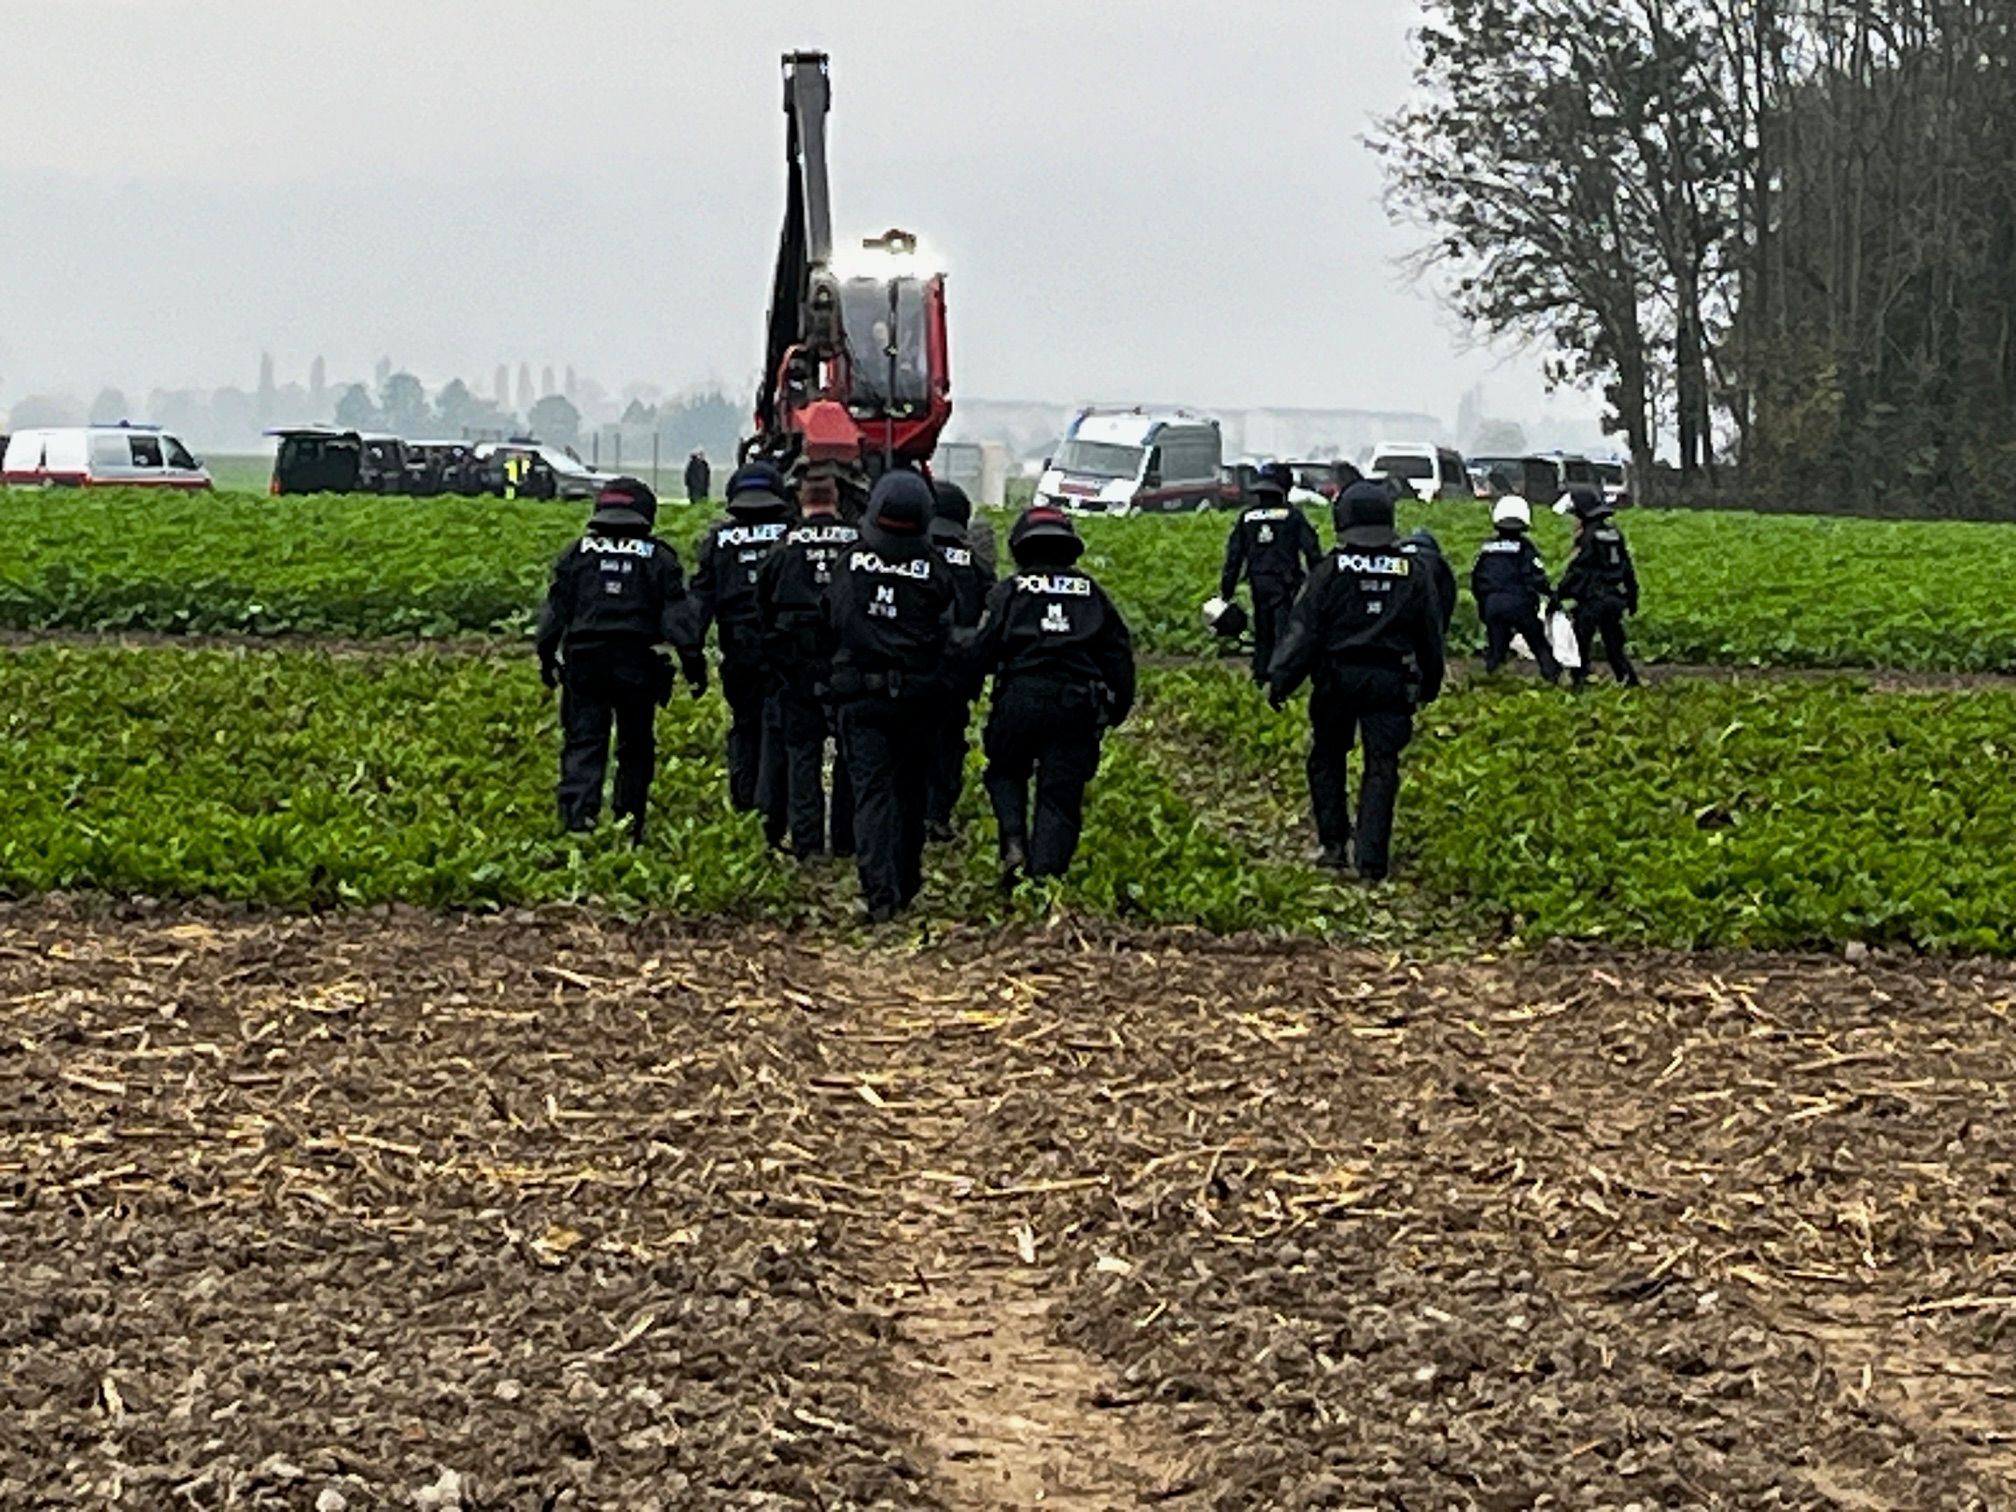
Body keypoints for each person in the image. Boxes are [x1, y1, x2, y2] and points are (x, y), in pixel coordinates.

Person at [1268, 482, 1446, 881]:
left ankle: (1333, 845)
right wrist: (1430, 682)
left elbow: (1304, 633)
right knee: (1382, 766)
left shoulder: (1329, 570)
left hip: (1336, 679)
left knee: (1327, 757)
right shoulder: (1412, 572)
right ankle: (1371, 862)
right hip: (1390, 681)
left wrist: (1282, 679)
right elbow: (1430, 636)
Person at [534, 478, 705, 841]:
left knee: (583, 742)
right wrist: (694, 665)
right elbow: (679, 621)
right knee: (636, 745)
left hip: (584, 659)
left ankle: (578, 823)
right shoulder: (658, 557)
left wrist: (546, 658)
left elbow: (554, 614)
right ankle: (630, 823)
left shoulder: (576, 554)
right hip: (636, 662)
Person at [972, 506, 1135, 886]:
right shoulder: (1092, 593)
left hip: (1019, 697)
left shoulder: (1009, 592)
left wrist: (961, 686)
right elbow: (1118, 655)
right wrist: (1117, 707)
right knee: (1060, 795)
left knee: (1005, 772)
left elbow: (981, 647)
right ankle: (1045, 880)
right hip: (1075, 704)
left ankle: (1013, 839)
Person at [824, 471, 957, 922]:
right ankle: (905, 883)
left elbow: (833, 622)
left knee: (872, 795)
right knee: (911, 792)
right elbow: (949, 637)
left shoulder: (851, 563)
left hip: (861, 697)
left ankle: (878, 894)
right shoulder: (936, 570)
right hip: (918, 700)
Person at [755, 464, 859, 861]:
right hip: (846, 661)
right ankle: (847, 839)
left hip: (796, 662)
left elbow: (761, 608)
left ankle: (808, 842)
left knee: (802, 754)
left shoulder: (783, 548)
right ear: (835, 499)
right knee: (850, 751)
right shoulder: (859, 547)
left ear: (801, 500)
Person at [688, 462, 793, 830]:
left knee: (745, 726)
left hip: (739, 650)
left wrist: (692, 654)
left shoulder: (718, 542)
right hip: (786, 650)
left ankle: (746, 805)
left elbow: (698, 605)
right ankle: (773, 813)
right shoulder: (792, 537)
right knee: (780, 730)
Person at [925, 479, 997, 842]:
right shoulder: (975, 564)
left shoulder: (911, 555)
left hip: (915, 669)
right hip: (957, 675)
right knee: (948, 742)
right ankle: (937, 815)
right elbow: (993, 612)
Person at [1219, 465, 1322, 684]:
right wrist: (1319, 584)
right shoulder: (1292, 516)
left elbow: (1234, 557)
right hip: (1286, 583)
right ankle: (1281, 678)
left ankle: (1261, 675)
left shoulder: (1247, 518)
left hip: (1259, 583)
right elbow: (1312, 551)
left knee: (1263, 631)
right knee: (1284, 632)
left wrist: (1226, 591)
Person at [1555, 487, 1641, 687]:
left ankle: (1579, 681)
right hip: (1614, 597)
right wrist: (1632, 595)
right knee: (1614, 645)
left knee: (1580, 643)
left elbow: (1578, 570)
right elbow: (1626, 567)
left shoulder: (1588, 537)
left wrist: (1558, 594)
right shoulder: (1613, 533)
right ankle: (1628, 679)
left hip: (1592, 600)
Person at [1470, 496, 1561, 681]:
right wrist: (1552, 597)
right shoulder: (1525, 547)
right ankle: (1552, 677)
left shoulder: (1487, 549)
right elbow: (1537, 577)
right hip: (1520, 604)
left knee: (1497, 646)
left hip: (1493, 604)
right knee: (1538, 643)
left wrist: (1484, 605)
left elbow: (1476, 580)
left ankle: (1492, 679)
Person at [1400, 528, 1457, 635]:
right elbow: (1448, 593)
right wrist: (1444, 624)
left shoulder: (1400, 557)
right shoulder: (1436, 559)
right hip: (1431, 611)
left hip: (1403, 616)